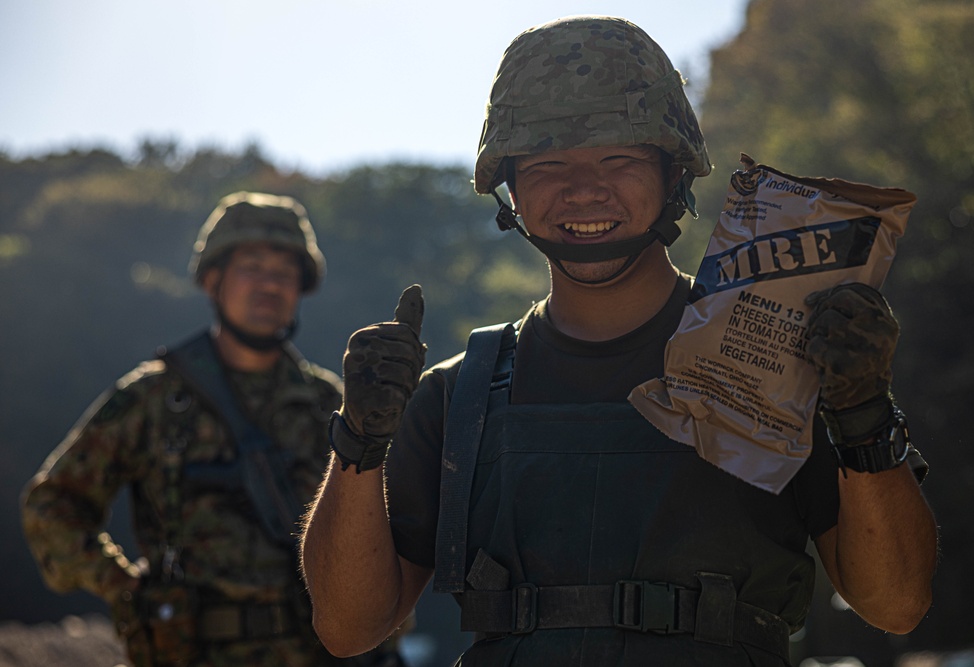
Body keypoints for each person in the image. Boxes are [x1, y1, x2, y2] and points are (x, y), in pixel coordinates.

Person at [301, 16, 938, 667]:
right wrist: (360, 439)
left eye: (618, 158)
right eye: (549, 163)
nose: (584, 188)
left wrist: (862, 413)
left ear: (672, 175)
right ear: (510, 189)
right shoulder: (456, 398)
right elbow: (350, 626)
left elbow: (895, 602)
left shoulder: (774, 358)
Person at [22, 192, 406, 667]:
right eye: (252, 266)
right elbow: (51, 505)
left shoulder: (333, 405)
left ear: (300, 289)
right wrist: (123, 587)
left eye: (284, 273)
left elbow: (386, 533)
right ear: (212, 280)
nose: (269, 284)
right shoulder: (155, 398)